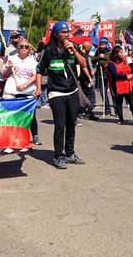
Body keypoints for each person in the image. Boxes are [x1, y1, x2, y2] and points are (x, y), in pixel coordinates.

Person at [35, 21, 89, 169]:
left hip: (72, 91)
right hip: (56, 93)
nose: (66, 35)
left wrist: (75, 51)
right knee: (60, 125)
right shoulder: (49, 50)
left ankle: (70, 153)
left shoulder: (73, 47)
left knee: (71, 124)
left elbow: (84, 64)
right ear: (56, 34)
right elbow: (39, 70)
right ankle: (59, 156)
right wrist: (39, 88)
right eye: (63, 32)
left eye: (67, 32)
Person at [2, 38, 42, 145]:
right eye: (21, 46)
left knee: (31, 116)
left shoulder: (33, 62)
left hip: (28, 93)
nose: (24, 48)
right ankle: (14, 136)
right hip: (13, 93)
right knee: (14, 115)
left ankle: (35, 135)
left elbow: (36, 76)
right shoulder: (12, 59)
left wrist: (25, 85)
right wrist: (9, 69)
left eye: (26, 47)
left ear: (29, 49)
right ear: (18, 49)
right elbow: (4, 74)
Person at [107, 46, 133, 125]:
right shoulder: (111, 63)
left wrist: (132, 74)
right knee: (119, 102)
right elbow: (115, 75)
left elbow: (132, 69)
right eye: (121, 52)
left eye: (122, 52)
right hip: (117, 85)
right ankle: (121, 119)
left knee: (131, 102)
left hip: (128, 84)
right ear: (116, 54)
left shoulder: (125, 60)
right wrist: (126, 77)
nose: (122, 54)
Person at [77, 41, 99, 121]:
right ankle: (89, 112)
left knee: (85, 96)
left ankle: (84, 112)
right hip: (85, 79)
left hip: (85, 78)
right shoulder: (82, 56)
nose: (90, 49)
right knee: (91, 95)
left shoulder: (85, 55)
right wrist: (90, 77)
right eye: (89, 48)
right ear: (86, 48)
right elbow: (84, 67)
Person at [92, 37, 112, 115]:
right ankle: (107, 108)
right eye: (100, 44)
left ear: (106, 44)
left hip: (106, 73)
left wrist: (103, 59)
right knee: (101, 91)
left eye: (103, 44)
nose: (101, 46)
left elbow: (108, 61)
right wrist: (99, 57)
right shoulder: (98, 50)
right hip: (99, 73)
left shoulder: (108, 51)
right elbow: (93, 59)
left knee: (104, 91)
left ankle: (108, 109)